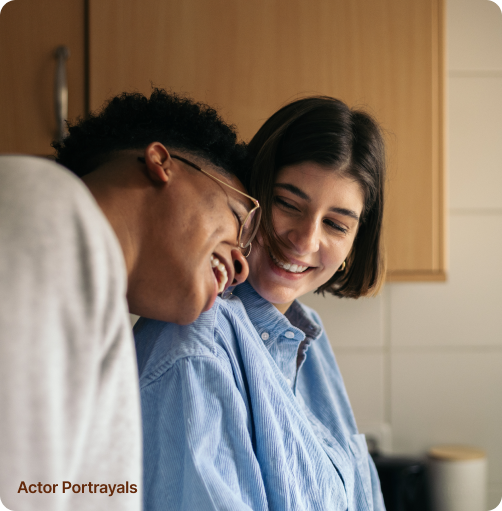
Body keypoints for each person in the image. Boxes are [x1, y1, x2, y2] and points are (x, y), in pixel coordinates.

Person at [0, 89, 259, 511]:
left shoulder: (100, 307)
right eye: (239, 218)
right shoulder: (43, 209)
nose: (242, 263)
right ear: (162, 163)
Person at [134, 95, 387, 510]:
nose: (305, 240)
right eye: (287, 203)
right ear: (249, 191)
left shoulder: (310, 339)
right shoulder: (195, 347)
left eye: (336, 224)